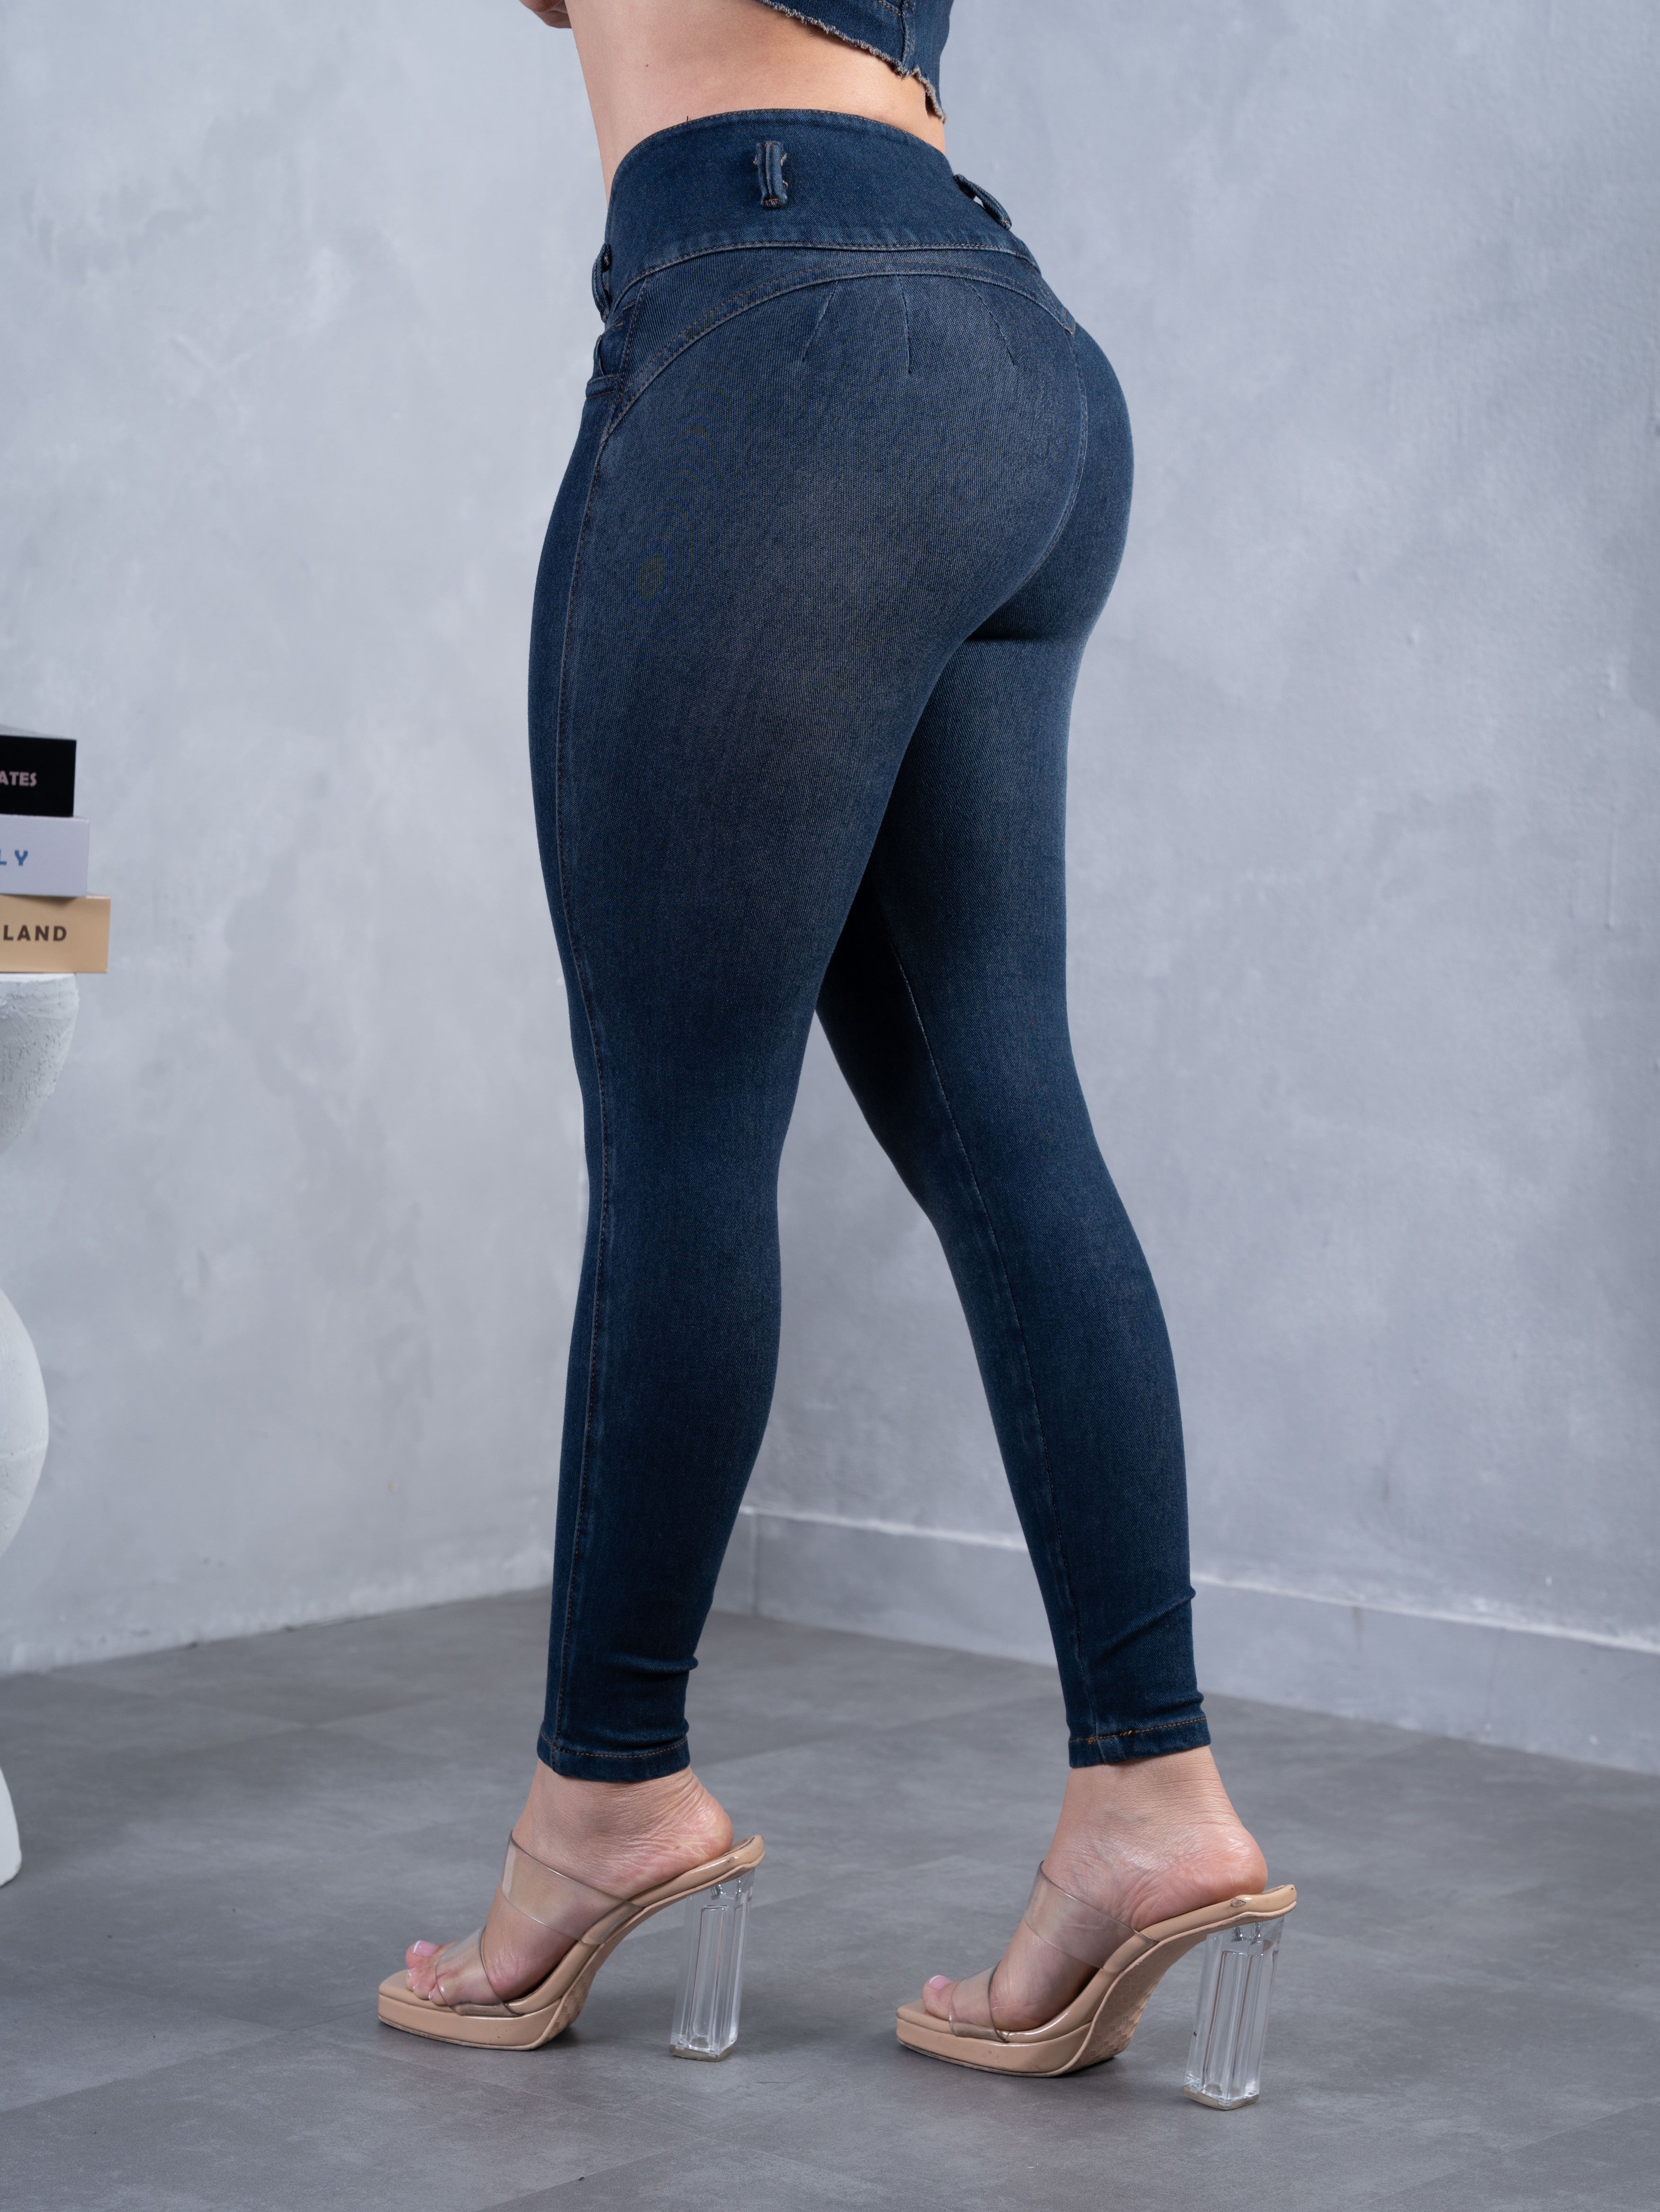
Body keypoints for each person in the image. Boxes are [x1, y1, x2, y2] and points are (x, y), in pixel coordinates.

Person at [379, 0, 1292, 2076]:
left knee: (684, 1127)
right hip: (1012, 353)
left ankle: (607, 1799)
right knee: (1008, 1111)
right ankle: (1152, 1802)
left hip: (777, 321)